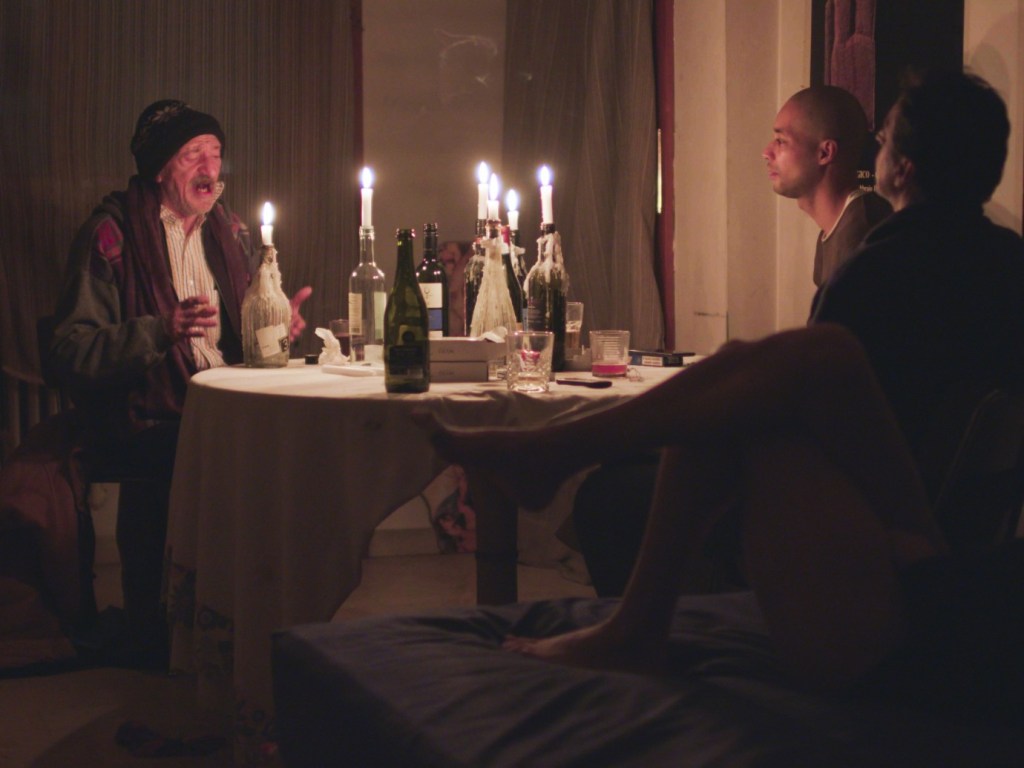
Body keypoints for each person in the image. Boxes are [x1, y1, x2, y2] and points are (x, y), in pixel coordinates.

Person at [421, 324, 1024, 704]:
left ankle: (554, 461)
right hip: (952, 586)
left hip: (922, 645)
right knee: (801, 364)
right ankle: (554, 463)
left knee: (754, 398)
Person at [573, 85, 891, 597]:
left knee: (617, 492)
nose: (767, 152)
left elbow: (847, 377)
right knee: (647, 457)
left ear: (825, 153)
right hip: (816, 446)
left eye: (781, 140)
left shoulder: (863, 233)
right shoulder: (840, 232)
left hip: (831, 469)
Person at [46, 99, 311, 665]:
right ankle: (162, 633)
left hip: (224, 403)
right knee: (186, 451)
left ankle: (252, 621)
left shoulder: (230, 232)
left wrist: (273, 324)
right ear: (160, 168)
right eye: (193, 155)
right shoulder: (111, 237)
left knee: (294, 445)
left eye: (215, 154)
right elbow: (71, 351)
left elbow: (240, 342)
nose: (210, 169)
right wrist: (157, 331)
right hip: (145, 414)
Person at [810, 69, 1024, 506]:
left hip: (872, 510)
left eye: (884, 139)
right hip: (977, 516)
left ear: (903, 169)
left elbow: (815, 408)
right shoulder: (1010, 260)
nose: (876, 149)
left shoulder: (872, 274)